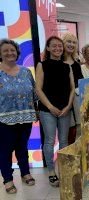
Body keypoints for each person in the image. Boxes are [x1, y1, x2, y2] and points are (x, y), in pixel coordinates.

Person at [35, 36, 75, 187]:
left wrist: (68, 106)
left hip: (65, 109)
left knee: (64, 141)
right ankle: (51, 171)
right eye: (54, 46)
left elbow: (72, 88)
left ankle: (63, 170)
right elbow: (38, 89)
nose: (58, 48)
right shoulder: (42, 65)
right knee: (50, 141)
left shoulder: (67, 66)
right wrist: (50, 107)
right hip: (47, 110)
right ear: (48, 48)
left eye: (60, 46)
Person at [0, 39, 37, 194]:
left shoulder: (26, 71)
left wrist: (36, 111)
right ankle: (8, 179)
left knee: (22, 147)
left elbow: (34, 92)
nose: (10, 53)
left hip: (25, 117)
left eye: (12, 50)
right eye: (6, 50)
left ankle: (25, 172)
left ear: (17, 52)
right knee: (4, 150)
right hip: (3, 119)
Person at [62, 33, 83, 141]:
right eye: (69, 42)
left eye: (74, 42)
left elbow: (81, 82)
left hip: (76, 103)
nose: (71, 44)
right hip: (63, 103)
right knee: (66, 135)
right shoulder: (58, 62)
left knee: (77, 133)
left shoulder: (77, 63)